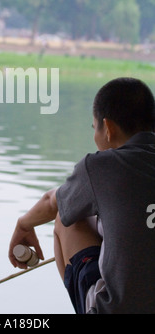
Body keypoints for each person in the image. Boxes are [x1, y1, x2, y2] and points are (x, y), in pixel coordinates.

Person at [9, 77, 155, 314]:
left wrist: (22, 225)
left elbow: (52, 202)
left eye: (93, 128)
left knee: (67, 218)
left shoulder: (102, 166)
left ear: (107, 128)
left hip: (115, 309)